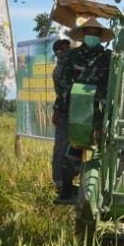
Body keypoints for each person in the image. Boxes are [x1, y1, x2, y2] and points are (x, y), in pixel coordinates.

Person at [54, 18, 113, 203]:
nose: (92, 36)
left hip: (99, 110)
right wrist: (59, 108)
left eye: (96, 33)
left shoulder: (109, 57)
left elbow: (112, 85)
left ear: (101, 36)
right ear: (83, 34)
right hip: (75, 109)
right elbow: (63, 85)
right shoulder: (72, 56)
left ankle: (103, 190)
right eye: (89, 33)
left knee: (105, 148)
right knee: (74, 149)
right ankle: (67, 189)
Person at [50, 39, 71, 194]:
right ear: (57, 53)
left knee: (72, 150)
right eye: (63, 50)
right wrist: (57, 110)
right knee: (61, 149)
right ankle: (59, 181)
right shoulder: (59, 71)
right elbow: (64, 93)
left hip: (74, 113)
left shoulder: (70, 68)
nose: (67, 52)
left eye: (68, 48)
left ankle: (67, 181)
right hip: (64, 113)